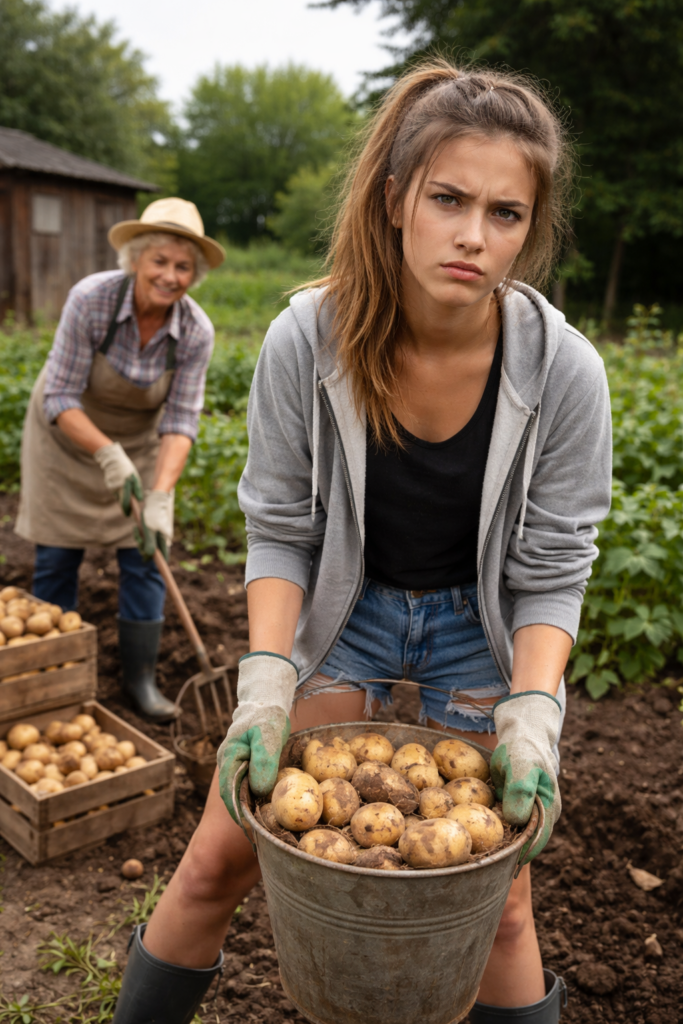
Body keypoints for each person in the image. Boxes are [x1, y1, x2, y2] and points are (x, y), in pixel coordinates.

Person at [112, 61, 612, 1024]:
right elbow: (283, 530)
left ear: (530, 229)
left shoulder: (565, 372)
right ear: (395, 200)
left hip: (481, 635)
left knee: (502, 903)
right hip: (346, 614)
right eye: (448, 199)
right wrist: (265, 683)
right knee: (222, 850)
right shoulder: (311, 337)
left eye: (505, 214)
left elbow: (552, 569)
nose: (473, 235)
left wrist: (531, 716)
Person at [15, 198, 225, 721]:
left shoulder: (195, 331)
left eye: (182, 267)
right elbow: (59, 396)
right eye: (160, 261)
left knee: (146, 557)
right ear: (136, 259)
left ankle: (141, 682)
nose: (170, 276)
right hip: (66, 439)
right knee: (58, 557)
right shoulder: (92, 300)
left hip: (138, 442)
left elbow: (180, 421)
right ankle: (52, 676)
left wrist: (160, 494)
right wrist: (106, 453)